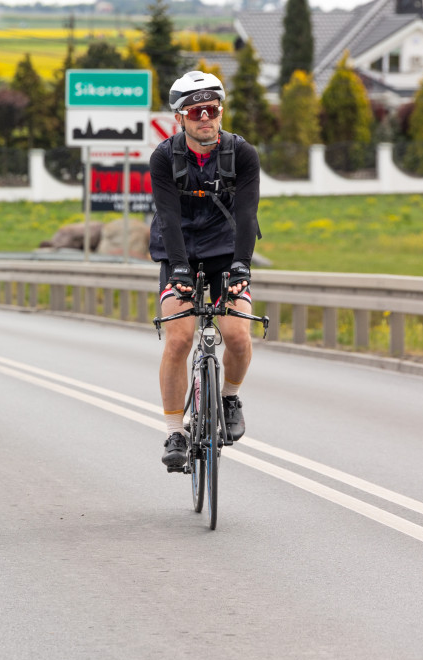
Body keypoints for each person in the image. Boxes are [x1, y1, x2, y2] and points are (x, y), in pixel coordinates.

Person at [149, 71, 261, 469]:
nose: (206, 118)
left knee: (237, 334)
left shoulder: (241, 154)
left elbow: (248, 214)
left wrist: (241, 266)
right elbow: (166, 217)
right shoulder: (165, 158)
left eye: (212, 109)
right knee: (179, 338)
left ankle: (229, 398)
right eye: (196, 111)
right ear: (180, 117)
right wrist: (178, 269)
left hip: (226, 253)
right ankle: (174, 433)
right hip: (177, 250)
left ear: (221, 112)